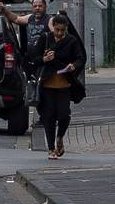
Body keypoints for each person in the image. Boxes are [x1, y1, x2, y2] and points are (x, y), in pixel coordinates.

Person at [35, 12, 87, 159]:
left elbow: (80, 58)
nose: (59, 33)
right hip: (47, 85)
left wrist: (73, 66)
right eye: (57, 30)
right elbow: (33, 58)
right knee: (49, 116)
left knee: (64, 115)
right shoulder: (45, 38)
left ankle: (60, 137)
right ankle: (51, 148)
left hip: (64, 85)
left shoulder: (71, 41)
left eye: (62, 30)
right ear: (53, 28)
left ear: (66, 28)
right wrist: (45, 59)